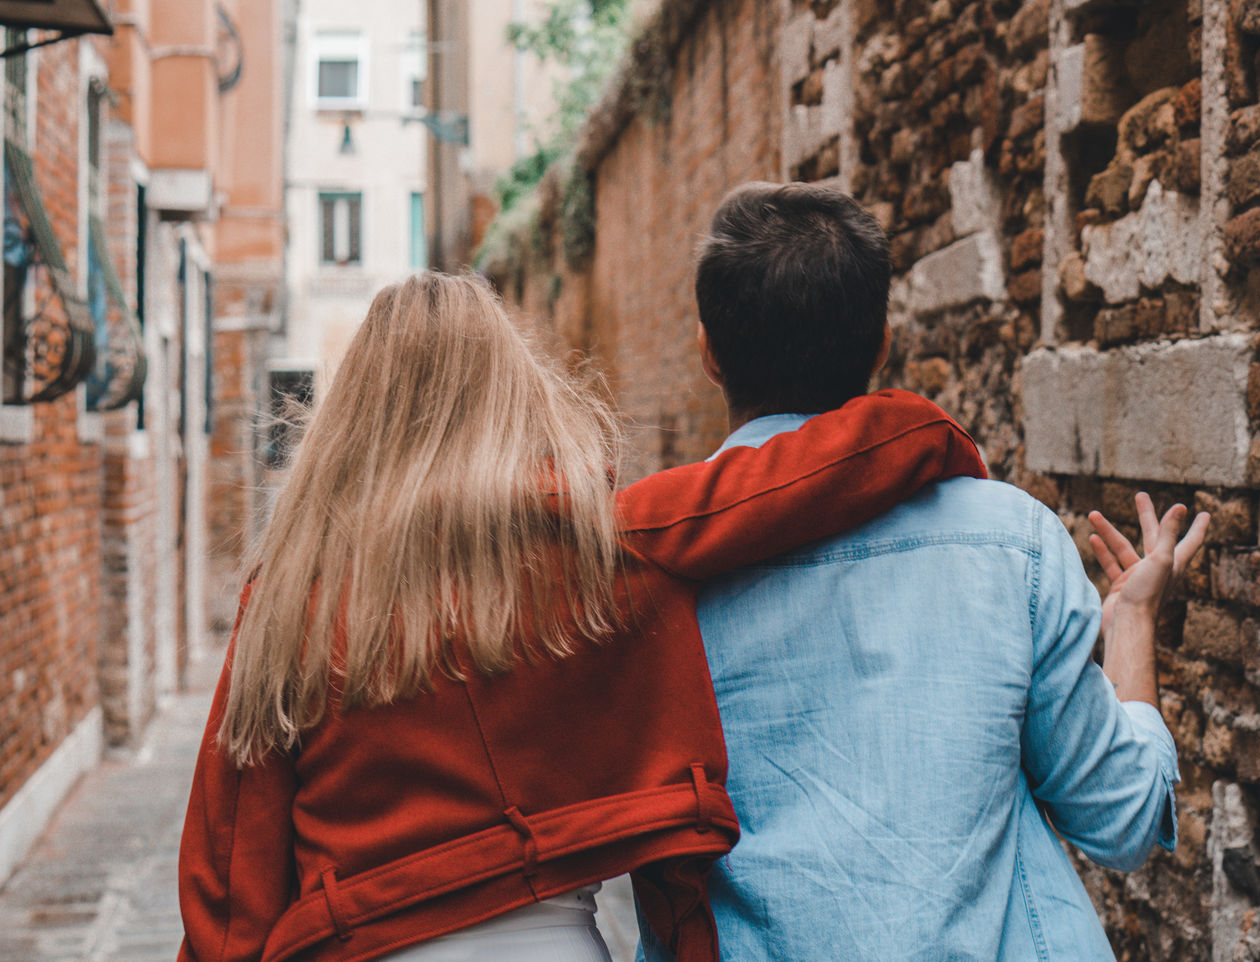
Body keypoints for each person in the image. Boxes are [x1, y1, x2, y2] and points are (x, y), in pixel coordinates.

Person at [176, 271, 987, 962]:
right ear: (513, 395)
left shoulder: (287, 598)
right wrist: (931, 433)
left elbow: (229, 881)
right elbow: (790, 481)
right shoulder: (603, 543)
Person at [635, 182, 1210, 961]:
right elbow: (1122, 822)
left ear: (707, 351)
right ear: (880, 344)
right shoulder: (1014, 545)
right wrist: (1131, 626)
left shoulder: (643, 582)